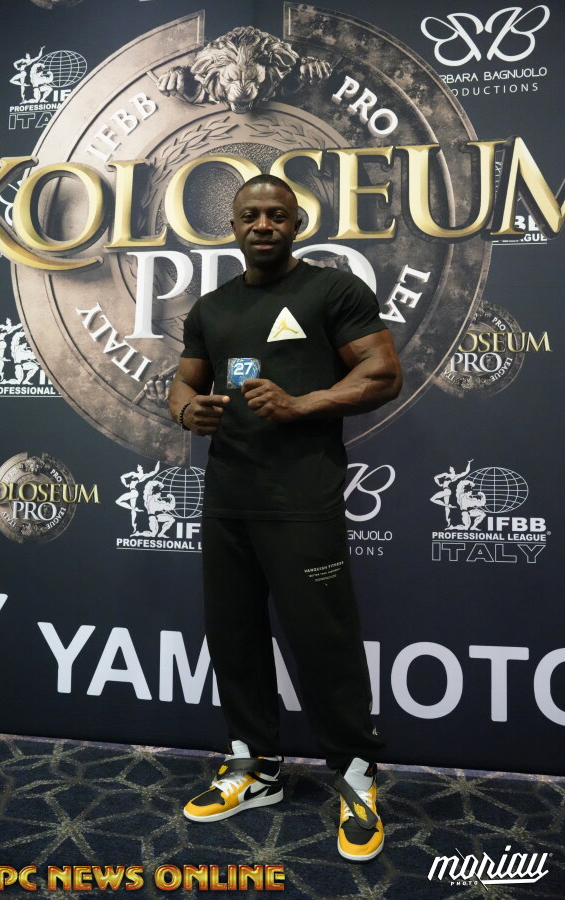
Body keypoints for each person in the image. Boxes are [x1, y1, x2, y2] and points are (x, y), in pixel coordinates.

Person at [144, 173, 402, 862]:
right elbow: (184, 380)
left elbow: (382, 373)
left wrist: (301, 404)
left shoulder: (333, 291)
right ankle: (255, 766)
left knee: (324, 640)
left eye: (276, 215)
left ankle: (355, 772)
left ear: (296, 224)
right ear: (231, 225)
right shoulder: (212, 306)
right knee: (233, 635)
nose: (263, 225)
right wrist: (185, 410)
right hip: (229, 495)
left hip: (302, 496)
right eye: (250, 215)